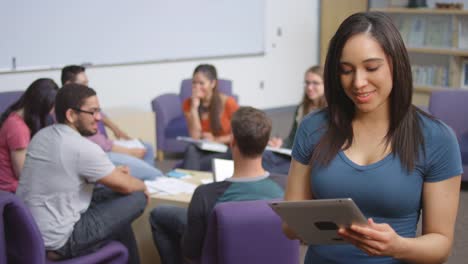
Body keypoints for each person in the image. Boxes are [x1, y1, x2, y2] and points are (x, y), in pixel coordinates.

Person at [283, 12, 462, 264]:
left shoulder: (436, 138)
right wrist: (306, 225)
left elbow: (441, 244)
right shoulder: (314, 127)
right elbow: (290, 226)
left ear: (395, 64)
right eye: (346, 70)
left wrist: (397, 246)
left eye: (371, 68)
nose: (358, 82)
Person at [16, 84, 149, 263]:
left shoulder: (42, 136)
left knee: (112, 201)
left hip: (30, 235)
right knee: (137, 196)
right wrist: (143, 186)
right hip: (60, 242)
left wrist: (113, 173)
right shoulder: (82, 148)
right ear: (71, 115)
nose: (99, 118)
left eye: (99, 111)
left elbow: (66, 174)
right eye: (93, 112)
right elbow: (126, 185)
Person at [150, 107, 286, 264]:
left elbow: (191, 253)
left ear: (232, 141)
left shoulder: (204, 195)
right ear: (266, 143)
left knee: (158, 214)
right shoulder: (287, 186)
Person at [61, 65, 162, 180]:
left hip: (104, 145)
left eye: (87, 83)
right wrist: (128, 152)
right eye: (83, 84)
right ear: (69, 84)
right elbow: (95, 142)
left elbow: (101, 116)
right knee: (155, 174)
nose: (87, 87)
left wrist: (116, 129)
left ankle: (142, 185)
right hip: (100, 152)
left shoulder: (83, 102)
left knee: (147, 147)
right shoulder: (71, 110)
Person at [263, 65, 326, 175]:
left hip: (317, 161)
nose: (310, 87)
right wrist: (280, 144)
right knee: (266, 157)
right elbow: (293, 138)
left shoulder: (331, 112)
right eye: (307, 83)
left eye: (315, 83)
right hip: (298, 157)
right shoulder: (301, 109)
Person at [0, 78, 58, 192]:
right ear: (41, 106)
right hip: (13, 189)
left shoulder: (19, 118)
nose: (52, 112)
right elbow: (22, 174)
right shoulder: (17, 128)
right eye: (51, 107)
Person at [181, 64, 239, 171]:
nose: (197, 87)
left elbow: (240, 135)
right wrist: (194, 108)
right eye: (194, 83)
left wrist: (216, 139)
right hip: (204, 149)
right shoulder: (188, 104)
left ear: (213, 83)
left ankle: (190, 178)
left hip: (225, 149)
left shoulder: (228, 103)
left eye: (201, 83)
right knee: (191, 149)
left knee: (193, 163)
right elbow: (195, 137)